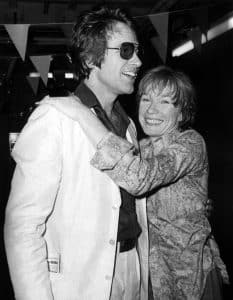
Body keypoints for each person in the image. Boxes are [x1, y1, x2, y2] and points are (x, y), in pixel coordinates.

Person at [4, 6, 149, 300]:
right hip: (81, 281)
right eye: (126, 50)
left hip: (131, 268)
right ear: (90, 58)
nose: (138, 60)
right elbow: (23, 227)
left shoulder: (129, 125)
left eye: (137, 50)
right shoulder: (54, 118)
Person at [48, 66, 229, 299]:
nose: (152, 109)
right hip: (149, 277)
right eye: (146, 99)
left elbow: (138, 179)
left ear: (182, 113)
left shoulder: (190, 143)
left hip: (190, 279)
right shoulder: (139, 148)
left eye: (165, 101)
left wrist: (83, 115)